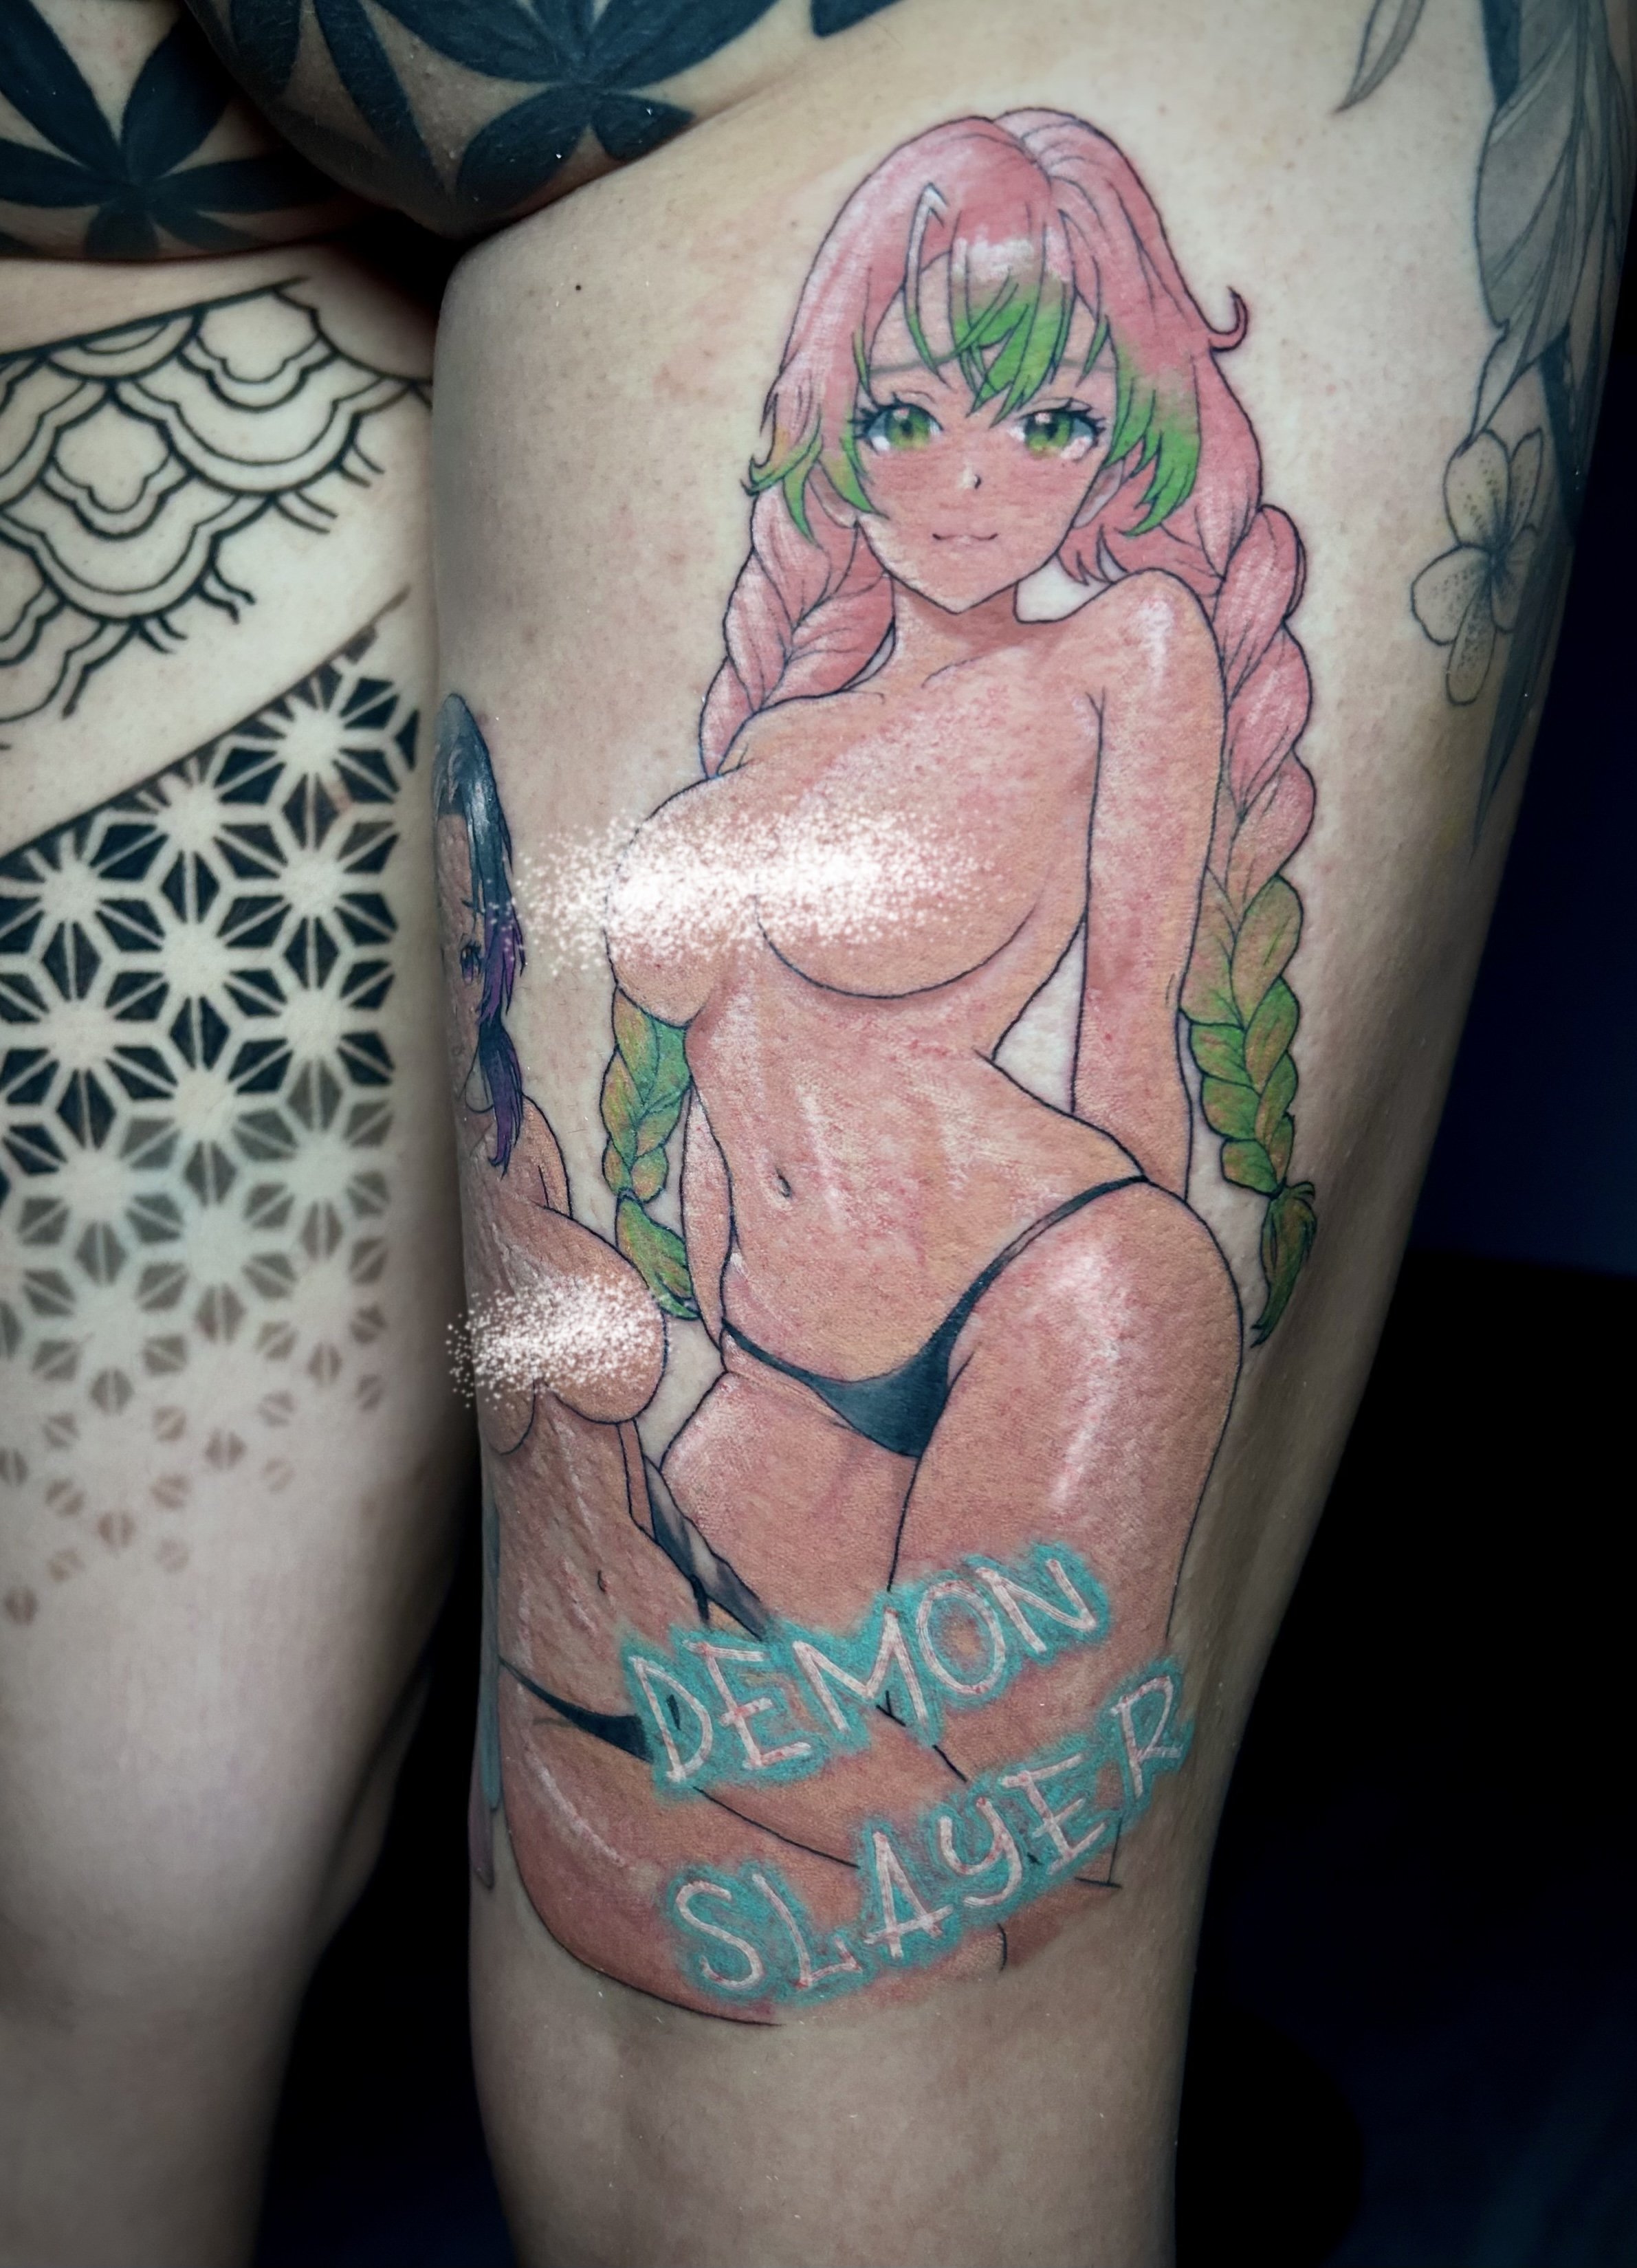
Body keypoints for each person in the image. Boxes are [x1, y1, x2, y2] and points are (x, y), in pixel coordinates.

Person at [3, 1, 1629, 2260]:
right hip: (738, 1368)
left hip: (1028, 1315)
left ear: (1129, 432)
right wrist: (607, 1349)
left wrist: (1127, 1400)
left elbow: (1132, 1046)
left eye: (1048, 417)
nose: (972, 480)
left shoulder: (1122, 656)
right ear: (831, 433)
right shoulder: (793, 701)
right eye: (905, 413)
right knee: (90, 1899)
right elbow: (643, 1112)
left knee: (806, 2061)